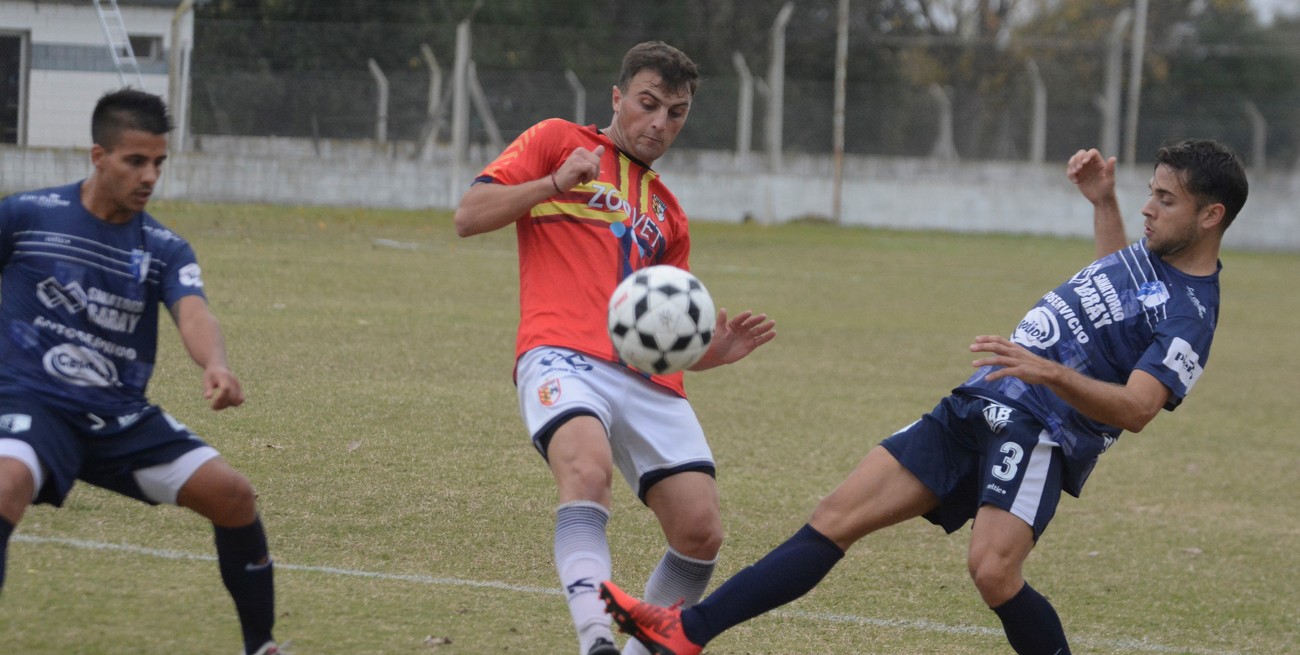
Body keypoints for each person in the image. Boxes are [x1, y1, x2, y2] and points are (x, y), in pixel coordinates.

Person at [600, 138, 1249, 655]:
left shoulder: (1193, 315)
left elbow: (1136, 408)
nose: (1149, 207)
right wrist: (1103, 202)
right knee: (836, 514)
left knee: (993, 572)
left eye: (1165, 199)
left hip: (1044, 427)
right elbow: (1119, 285)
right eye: (1150, 193)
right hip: (981, 397)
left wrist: (1050, 373)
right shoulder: (1151, 256)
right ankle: (687, 631)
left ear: (1210, 215)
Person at [453, 41, 776, 655]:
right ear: (617, 97)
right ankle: (595, 636)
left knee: (700, 531)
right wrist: (552, 181)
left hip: (646, 381)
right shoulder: (557, 140)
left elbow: (661, 336)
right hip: (562, 355)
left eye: (675, 113)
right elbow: (469, 215)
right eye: (648, 104)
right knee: (586, 471)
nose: (659, 124)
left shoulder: (669, 213)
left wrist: (711, 350)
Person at [0, 89, 284, 655]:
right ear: (97, 156)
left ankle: (263, 646)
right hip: (33, 401)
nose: (150, 175)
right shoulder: (27, 216)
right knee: (5, 484)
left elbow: (193, 311)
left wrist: (216, 365)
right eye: (136, 160)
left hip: (117, 416)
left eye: (159, 162)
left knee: (232, 495)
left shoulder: (163, 247)